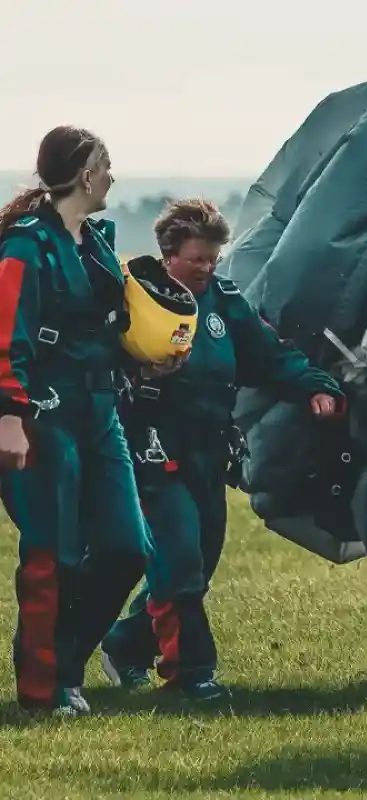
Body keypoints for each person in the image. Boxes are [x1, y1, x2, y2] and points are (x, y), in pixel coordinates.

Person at [100, 198, 345, 701]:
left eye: (213, 258)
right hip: (151, 452)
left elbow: (270, 356)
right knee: (180, 558)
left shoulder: (223, 302)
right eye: (197, 259)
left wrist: (316, 387)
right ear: (169, 255)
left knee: (200, 562)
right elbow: (96, 368)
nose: (207, 268)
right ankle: (191, 676)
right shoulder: (128, 299)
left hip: (209, 455)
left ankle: (125, 645)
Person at [0, 126, 155, 716]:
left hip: (101, 413)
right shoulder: (24, 248)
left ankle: (66, 664)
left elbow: (106, 332)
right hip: (42, 415)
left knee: (127, 549)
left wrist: (149, 364)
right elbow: (5, 336)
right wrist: (9, 415)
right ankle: (44, 689)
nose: (113, 175)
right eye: (106, 165)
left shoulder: (96, 245)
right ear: (85, 175)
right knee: (52, 554)